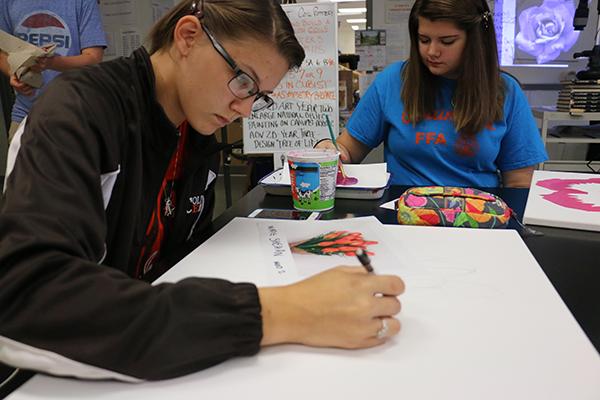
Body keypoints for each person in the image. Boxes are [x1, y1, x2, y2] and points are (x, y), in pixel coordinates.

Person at [0, 0, 405, 382]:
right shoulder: (80, 112)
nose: (245, 109)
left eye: (259, 96)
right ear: (188, 36)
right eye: (242, 80)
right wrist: (282, 312)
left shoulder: (195, 133)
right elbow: (28, 298)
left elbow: (174, 265)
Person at [317, 0, 548, 188]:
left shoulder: (505, 92)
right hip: (404, 218)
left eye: (447, 41)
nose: (431, 52)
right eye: (423, 40)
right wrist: (331, 150)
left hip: (477, 221)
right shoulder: (394, 81)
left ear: (475, 41)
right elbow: (348, 149)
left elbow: (518, 182)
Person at [0, 0, 107, 143]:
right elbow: (2, 52)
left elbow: (93, 58)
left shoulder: (83, 2)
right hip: (25, 114)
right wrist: (13, 72)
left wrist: (52, 63)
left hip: (75, 113)